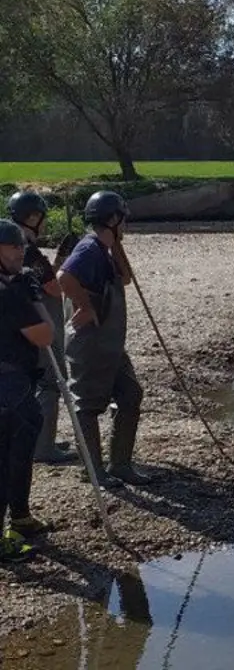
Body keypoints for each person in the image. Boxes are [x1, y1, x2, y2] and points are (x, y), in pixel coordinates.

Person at [57, 191, 150, 488]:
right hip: (90, 344)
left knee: (130, 395)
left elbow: (125, 278)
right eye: (122, 220)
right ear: (112, 219)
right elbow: (64, 277)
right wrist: (85, 306)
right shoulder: (89, 249)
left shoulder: (105, 249)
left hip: (110, 345)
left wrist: (117, 244)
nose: (126, 225)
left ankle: (120, 464)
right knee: (87, 406)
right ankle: (93, 470)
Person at [8, 191, 77, 465]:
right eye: (42, 217)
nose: (46, 223)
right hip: (40, 327)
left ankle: (38, 437)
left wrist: (59, 258)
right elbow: (54, 287)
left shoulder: (12, 248)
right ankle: (44, 447)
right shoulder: (30, 253)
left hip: (21, 332)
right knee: (49, 384)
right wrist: (67, 259)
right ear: (32, 218)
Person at [0, 219, 55, 561]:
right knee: (7, 459)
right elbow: (45, 335)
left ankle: (20, 516)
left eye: (21, 245)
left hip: (14, 382)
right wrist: (34, 300)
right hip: (10, 386)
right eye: (12, 246)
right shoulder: (11, 293)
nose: (20, 252)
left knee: (17, 455)